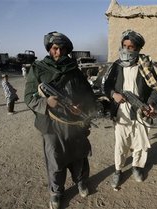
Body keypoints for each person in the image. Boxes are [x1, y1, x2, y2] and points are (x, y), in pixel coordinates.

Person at [24, 31, 96, 209]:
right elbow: (28, 97)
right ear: (49, 49)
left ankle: (81, 182)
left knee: (79, 156)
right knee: (55, 160)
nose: (58, 52)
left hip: (74, 123)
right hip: (51, 125)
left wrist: (82, 106)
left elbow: (88, 94)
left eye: (62, 49)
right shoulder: (38, 69)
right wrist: (46, 102)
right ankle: (56, 192)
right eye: (55, 48)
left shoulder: (74, 70)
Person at [104, 29, 157, 189]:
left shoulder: (145, 65)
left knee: (140, 143)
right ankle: (118, 171)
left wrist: (150, 103)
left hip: (140, 112)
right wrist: (113, 94)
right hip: (121, 112)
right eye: (125, 46)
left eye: (131, 47)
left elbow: (156, 89)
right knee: (121, 144)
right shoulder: (116, 66)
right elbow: (106, 85)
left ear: (137, 49)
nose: (127, 49)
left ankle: (137, 167)